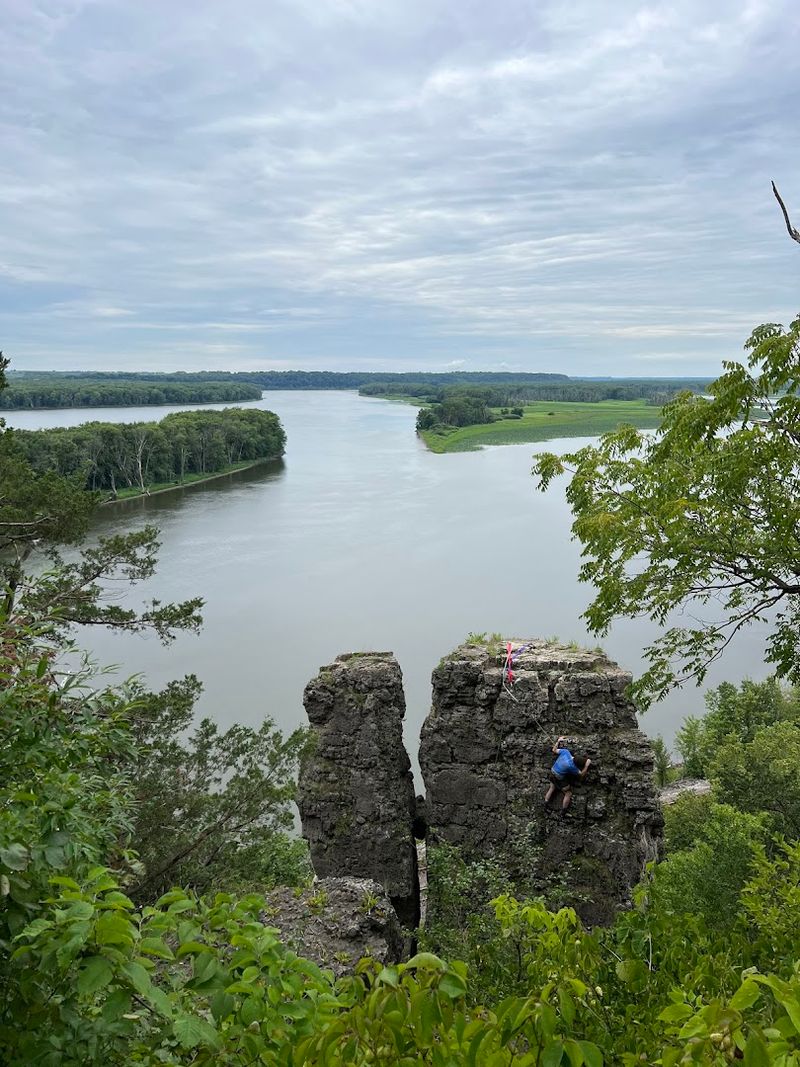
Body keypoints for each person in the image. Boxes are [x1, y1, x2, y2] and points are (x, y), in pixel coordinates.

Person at [544, 735, 592, 812]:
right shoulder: (572, 766)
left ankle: (545, 804)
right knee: (568, 793)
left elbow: (554, 750)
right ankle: (563, 811)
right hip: (559, 777)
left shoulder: (566, 752)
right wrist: (586, 765)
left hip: (552, 772)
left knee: (552, 787)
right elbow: (581, 774)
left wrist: (558, 741)